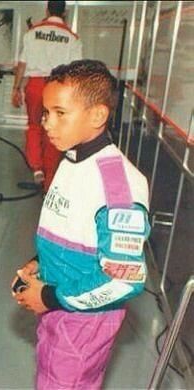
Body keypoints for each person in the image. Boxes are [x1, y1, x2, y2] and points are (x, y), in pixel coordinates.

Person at [12, 60, 150, 389]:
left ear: (97, 115)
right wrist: (37, 264)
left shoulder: (118, 184)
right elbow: (71, 233)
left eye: (61, 113)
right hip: (58, 305)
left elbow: (122, 279)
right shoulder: (72, 157)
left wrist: (49, 297)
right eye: (46, 113)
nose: (47, 123)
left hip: (83, 319)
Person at [11, 0, 82, 191]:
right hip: (59, 87)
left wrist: (16, 88)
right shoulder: (72, 37)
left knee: (34, 125)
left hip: (35, 84)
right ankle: (50, 179)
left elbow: (22, 64)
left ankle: (36, 168)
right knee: (54, 130)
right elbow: (76, 71)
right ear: (64, 12)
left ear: (47, 9)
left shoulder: (32, 32)